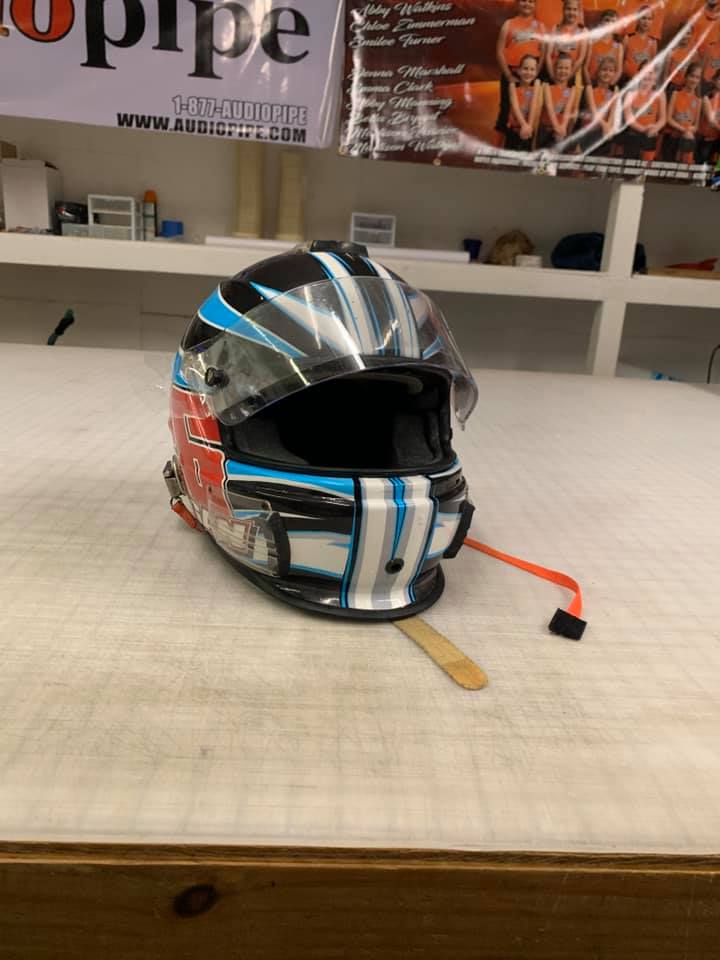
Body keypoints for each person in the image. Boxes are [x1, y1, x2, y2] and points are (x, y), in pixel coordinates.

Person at [494, 0, 546, 146]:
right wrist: (508, 75)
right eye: (524, 1)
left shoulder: (540, 26)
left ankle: (527, 143)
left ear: (535, 5)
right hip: (512, 72)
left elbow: (543, 52)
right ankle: (498, 148)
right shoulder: (508, 24)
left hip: (531, 73)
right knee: (506, 110)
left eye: (531, 1)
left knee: (532, 110)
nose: (527, 4)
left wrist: (536, 72)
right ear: (518, 3)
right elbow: (499, 51)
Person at [620, 66, 666, 160]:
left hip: (651, 134)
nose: (647, 75)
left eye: (650, 73)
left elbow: (663, 118)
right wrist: (643, 129)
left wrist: (655, 128)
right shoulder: (630, 94)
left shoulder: (660, 94)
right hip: (634, 134)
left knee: (650, 139)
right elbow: (629, 118)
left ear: (655, 79)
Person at [538, 51, 581, 148]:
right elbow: (549, 108)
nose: (563, 71)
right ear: (555, 69)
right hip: (547, 129)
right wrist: (556, 127)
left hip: (562, 129)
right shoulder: (547, 87)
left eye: (566, 68)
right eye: (560, 68)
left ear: (571, 71)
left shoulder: (572, 90)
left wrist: (562, 127)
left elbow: (567, 110)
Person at [578, 56, 620, 153]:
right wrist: (606, 126)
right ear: (598, 71)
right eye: (604, 70)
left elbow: (612, 114)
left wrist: (608, 127)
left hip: (603, 132)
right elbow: (593, 111)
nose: (607, 73)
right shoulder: (590, 88)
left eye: (611, 70)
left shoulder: (614, 92)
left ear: (614, 74)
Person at [663, 61, 702, 162]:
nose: (694, 80)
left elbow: (696, 126)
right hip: (672, 137)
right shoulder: (675, 94)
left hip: (687, 139)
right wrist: (684, 130)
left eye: (697, 77)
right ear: (686, 76)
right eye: (692, 76)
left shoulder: (698, 100)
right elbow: (668, 119)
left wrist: (688, 131)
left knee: (688, 141)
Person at [507, 54, 544, 149]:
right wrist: (524, 125)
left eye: (532, 69)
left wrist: (528, 127)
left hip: (528, 130)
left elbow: (533, 105)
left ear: (536, 72)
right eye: (525, 68)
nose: (528, 72)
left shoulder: (536, 86)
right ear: (519, 71)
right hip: (514, 130)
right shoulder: (512, 86)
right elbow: (515, 106)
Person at [546, 0, 588, 80]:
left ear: (578, 12)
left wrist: (568, 77)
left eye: (574, 9)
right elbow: (548, 55)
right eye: (568, 9)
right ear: (563, 10)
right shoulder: (555, 28)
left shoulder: (583, 31)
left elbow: (581, 58)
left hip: (571, 75)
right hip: (554, 73)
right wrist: (552, 76)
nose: (571, 12)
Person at [584, 9, 624, 85]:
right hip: (593, 83)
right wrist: (589, 85)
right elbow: (585, 68)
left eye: (613, 21)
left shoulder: (619, 46)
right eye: (607, 20)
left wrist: (610, 85)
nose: (609, 23)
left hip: (608, 85)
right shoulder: (592, 42)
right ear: (601, 22)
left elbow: (619, 70)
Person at [623, 7, 658, 82]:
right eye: (643, 18)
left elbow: (652, 65)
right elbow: (621, 61)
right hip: (627, 80)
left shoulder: (653, 42)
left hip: (643, 81)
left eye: (649, 19)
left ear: (652, 21)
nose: (646, 21)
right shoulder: (628, 38)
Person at [696, 66, 720, 161]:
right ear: (715, 80)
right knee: (702, 163)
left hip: (717, 138)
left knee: (714, 165)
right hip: (705, 138)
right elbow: (711, 120)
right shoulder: (707, 97)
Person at [665, 26, 695, 93]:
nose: (685, 36)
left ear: (691, 35)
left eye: (688, 33)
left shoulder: (693, 53)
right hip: (672, 87)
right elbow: (665, 75)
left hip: (686, 88)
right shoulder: (671, 52)